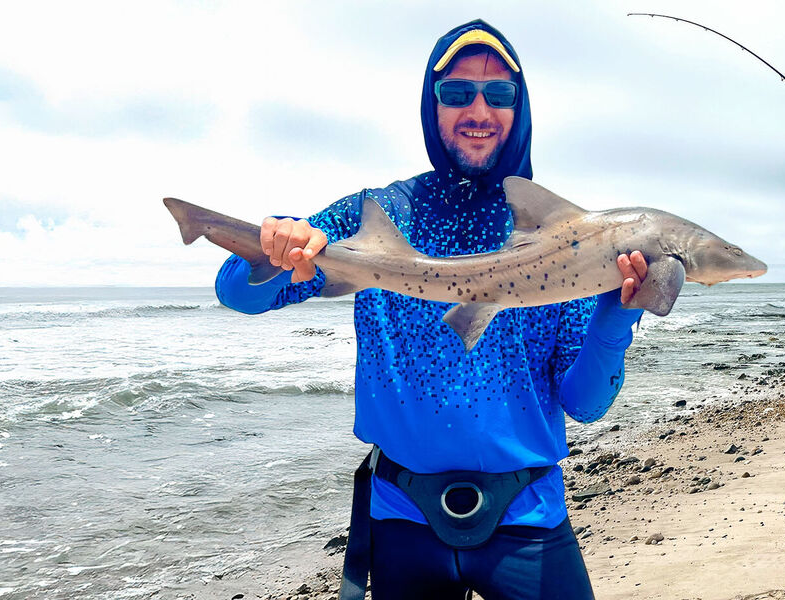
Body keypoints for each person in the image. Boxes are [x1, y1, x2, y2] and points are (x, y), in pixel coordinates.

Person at [214, 20, 646, 599]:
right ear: (431, 102)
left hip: (528, 517)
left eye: (499, 93)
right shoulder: (378, 214)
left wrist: (617, 314)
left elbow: (586, 404)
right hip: (402, 514)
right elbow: (237, 293)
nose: (479, 110)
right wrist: (279, 244)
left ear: (519, 108)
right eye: (457, 91)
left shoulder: (567, 241)